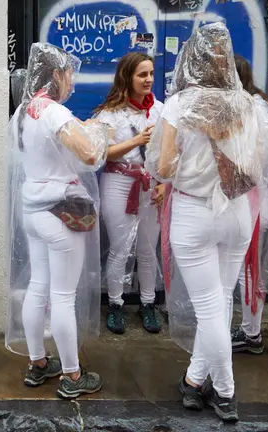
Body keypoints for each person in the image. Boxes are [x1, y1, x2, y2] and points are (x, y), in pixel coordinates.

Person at [145, 23, 268, 422]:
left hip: (194, 213)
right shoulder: (248, 105)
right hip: (238, 212)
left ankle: (226, 392)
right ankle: (195, 379)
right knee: (219, 300)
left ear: (191, 60)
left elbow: (164, 167)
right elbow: (259, 166)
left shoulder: (180, 104)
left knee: (209, 308)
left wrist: (182, 160)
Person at [5, 42, 109, 399]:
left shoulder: (22, 113)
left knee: (39, 286)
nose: (73, 83)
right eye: (69, 74)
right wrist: (98, 131)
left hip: (34, 212)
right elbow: (90, 153)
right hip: (61, 214)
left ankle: (37, 363)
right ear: (55, 74)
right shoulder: (53, 112)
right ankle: (72, 375)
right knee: (63, 296)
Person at [93, 52, 165, 335]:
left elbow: (171, 153)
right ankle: (115, 303)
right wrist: (137, 140)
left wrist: (165, 183)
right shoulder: (109, 113)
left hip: (151, 185)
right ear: (127, 77)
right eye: (142, 74)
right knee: (119, 249)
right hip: (118, 183)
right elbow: (103, 154)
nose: (149, 80)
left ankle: (148, 303)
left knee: (148, 250)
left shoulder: (160, 110)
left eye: (151, 74)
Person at [229, 55, 268, 354]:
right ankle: (249, 329)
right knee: (248, 269)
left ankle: (251, 333)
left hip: (251, 201)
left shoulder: (251, 110)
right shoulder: (258, 106)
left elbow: (255, 162)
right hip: (256, 199)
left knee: (249, 270)